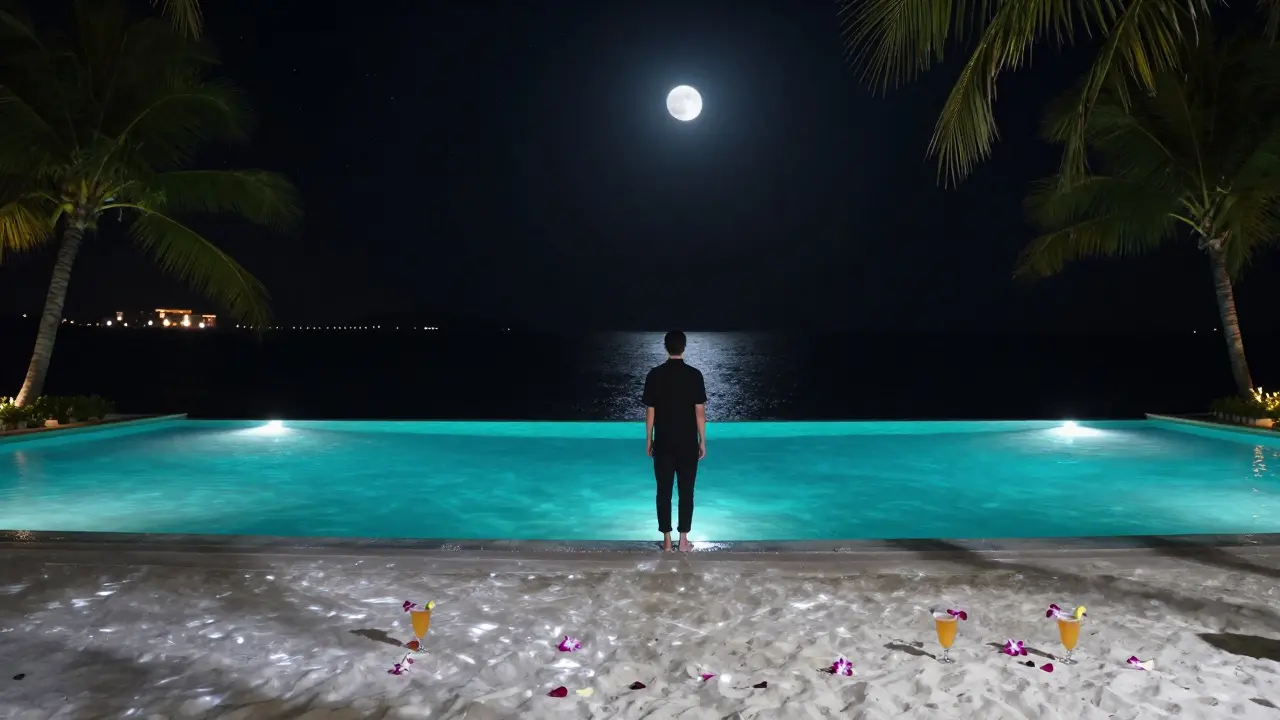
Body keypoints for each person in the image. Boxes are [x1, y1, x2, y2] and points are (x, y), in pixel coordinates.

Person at [641, 331, 707, 553]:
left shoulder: (654, 375)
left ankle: (667, 541)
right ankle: (684, 540)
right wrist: (702, 440)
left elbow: (651, 412)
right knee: (686, 492)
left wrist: (648, 439)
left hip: (663, 442)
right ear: (684, 347)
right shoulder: (695, 375)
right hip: (688, 443)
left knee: (664, 492)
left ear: (665, 347)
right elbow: (700, 412)